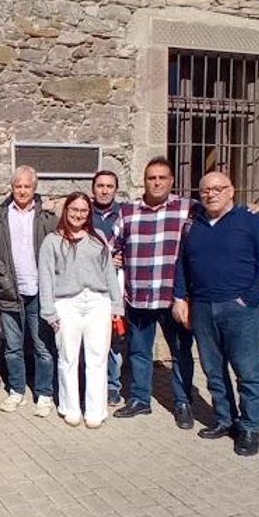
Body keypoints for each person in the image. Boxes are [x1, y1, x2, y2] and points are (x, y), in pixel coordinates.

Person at [173, 172, 259, 457]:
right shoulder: (193, 225)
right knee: (213, 370)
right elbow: (182, 264)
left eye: (218, 188)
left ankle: (249, 427)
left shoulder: (253, 221)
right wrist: (181, 297)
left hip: (239, 308)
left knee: (247, 371)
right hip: (203, 307)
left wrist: (249, 298)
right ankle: (225, 419)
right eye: (205, 190)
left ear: (231, 191)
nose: (211, 194)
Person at [112, 157, 197, 427]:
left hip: (174, 298)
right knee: (139, 351)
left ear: (171, 181)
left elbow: (221, 215)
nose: (157, 182)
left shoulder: (188, 209)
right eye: (151, 178)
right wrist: (113, 256)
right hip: (138, 297)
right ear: (144, 181)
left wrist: (253, 210)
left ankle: (183, 401)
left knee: (181, 352)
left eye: (162, 177)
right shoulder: (128, 212)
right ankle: (140, 399)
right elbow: (113, 245)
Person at [0, 165, 59, 417]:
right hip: (9, 291)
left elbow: (61, 246)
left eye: (27, 186)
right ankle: (17, 391)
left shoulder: (48, 218)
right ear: (11, 188)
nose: (22, 191)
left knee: (43, 347)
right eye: (17, 186)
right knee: (12, 347)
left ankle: (44, 393)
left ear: (34, 189)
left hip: (40, 291)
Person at [39, 193, 123, 429]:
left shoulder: (98, 240)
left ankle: (96, 410)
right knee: (68, 358)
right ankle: (70, 407)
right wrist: (49, 312)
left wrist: (116, 305)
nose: (78, 214)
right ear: (66, 211)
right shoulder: (52, 241)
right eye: (74, 209)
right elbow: (45, 278)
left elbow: (109, 274)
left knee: (97, 358)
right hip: (67, 304)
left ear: (89, 213)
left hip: (97, 302)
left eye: (84, 210)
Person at [90, 169, 126, 407]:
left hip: (117, 284)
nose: (104, 190)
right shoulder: (83, 212)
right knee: (92, 339)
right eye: (100, 186)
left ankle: (113, 385)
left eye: (109, 186)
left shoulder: (126, 213)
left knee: (114, 339)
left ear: (115, 189)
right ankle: (92, 383)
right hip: (91, 286)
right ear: (93, 189)